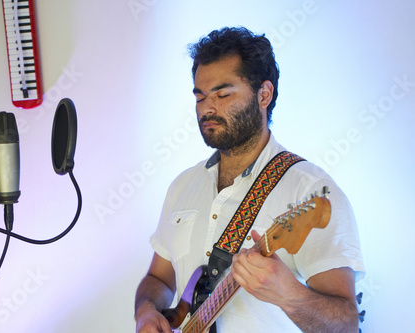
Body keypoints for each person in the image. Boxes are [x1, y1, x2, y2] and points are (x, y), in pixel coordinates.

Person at [134, 27, 365, 333]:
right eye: (200, 96)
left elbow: (346, 323)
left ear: (264, 94)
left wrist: (290, 295)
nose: (207, 108)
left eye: (223, 93)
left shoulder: (308, 189)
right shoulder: (182, 186)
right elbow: (159, 279)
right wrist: (147, 313)